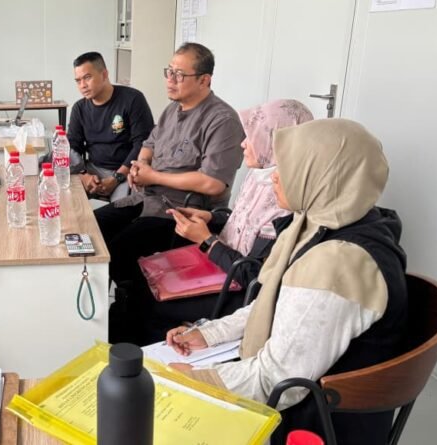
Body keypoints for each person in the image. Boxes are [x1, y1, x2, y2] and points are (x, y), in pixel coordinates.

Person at [167, 118, 408, 445]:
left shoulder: (337, 262)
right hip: (308, 403)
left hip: (314, 426)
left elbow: (278, 381)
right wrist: (209, 334)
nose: (275, 176)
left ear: (324, 176)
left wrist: (196, 380)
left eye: (291, 165)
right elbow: (274, 304)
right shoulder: (329, 224)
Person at [140, 99, 314, 341]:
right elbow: (242, 224)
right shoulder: (259, 177)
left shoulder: (286, 195)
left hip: (240, 293)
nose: (243, 143)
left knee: (151, 305)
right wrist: (211, 217)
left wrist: (207, 241)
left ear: (276, 141)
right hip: (222, 266)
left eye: (251, 137)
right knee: (141, 279)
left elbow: (256, 277)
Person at [95, 42, 245, 302]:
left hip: (181, 212)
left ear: (204, 80)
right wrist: (140, 165)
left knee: (117, 250)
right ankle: (101, 307)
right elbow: (149, 144)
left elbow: (213, 183)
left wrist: (153, 176)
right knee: (94, 228)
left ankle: (134, 307)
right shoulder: (173, 109)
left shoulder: (222, 120)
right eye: (169, 71)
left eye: (179, 75)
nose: (170, 80)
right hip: (147, 198)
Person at [67, 51, 154, 201]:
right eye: (78, 80)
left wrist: (117, 177)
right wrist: (84, 176)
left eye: (87, 78)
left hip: (126, 170)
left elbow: (142, 143)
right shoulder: (79, 108)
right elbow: (73, 147)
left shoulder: (133, 99)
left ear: (104, 74)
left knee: (120, 209)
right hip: (92, 170)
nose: (82, 86)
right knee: (65, 197)